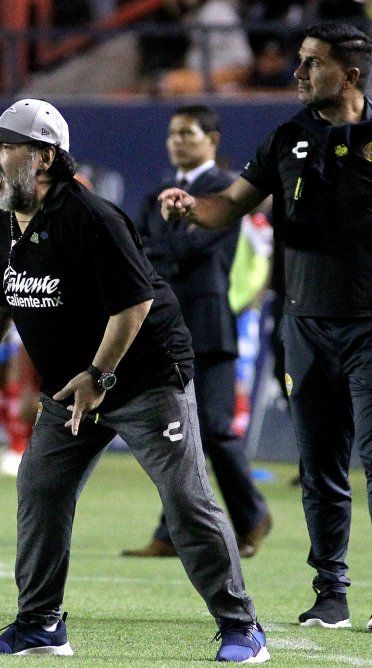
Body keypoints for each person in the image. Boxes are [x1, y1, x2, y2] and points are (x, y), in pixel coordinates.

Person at [0, 98, 269, 663]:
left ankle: (241, 626)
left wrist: (99, 375)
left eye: (6, 146)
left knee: (184, 497)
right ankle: (40, 624)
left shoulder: (94, 219)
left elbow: (134, 306)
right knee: (40, 489)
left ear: (46, 158)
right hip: (70, 389)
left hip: (144, 376)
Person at [159, 23, 372, 636]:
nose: (298, 74)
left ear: (349, 75)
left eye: (312, 64)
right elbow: (231, 205)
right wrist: (194, 208)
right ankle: (330, 593)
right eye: (300, 63)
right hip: (304, 325)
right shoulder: (286, 137)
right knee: (320, 464)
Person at [123, 105, 272, 559]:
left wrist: (165, 244)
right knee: (175, 433)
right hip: (165, 329)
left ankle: (251, 516)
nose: (177, 141)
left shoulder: (225, 191)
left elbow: (195, 246)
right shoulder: (155, 196)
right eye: (172, 133)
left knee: (216, 428)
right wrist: (169, 245)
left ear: (212, 140)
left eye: (187, 133)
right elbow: (141, 255)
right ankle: (173, 532)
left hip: (208, 326)